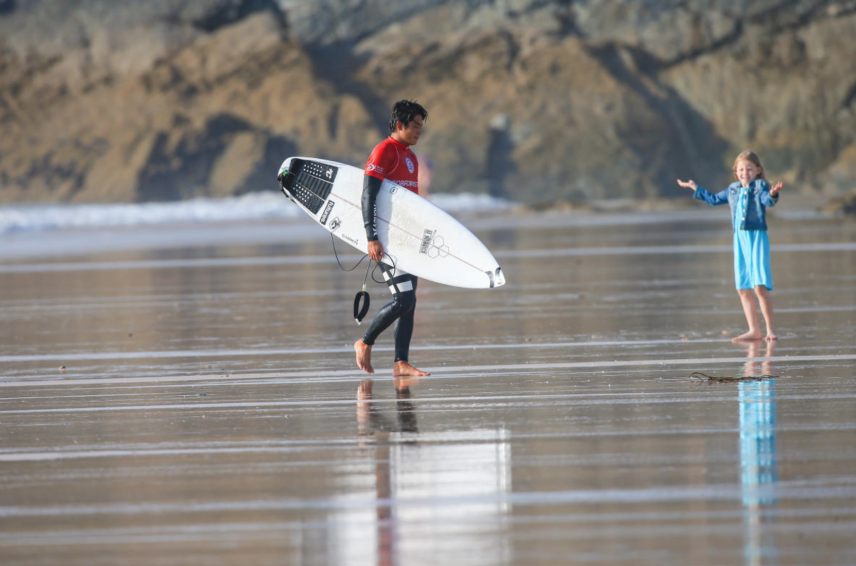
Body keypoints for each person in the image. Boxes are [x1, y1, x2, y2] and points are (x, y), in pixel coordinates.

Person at [354, 100, 431, 377]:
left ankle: (401, 363)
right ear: (400, 125)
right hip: (387, 241)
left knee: (410, 303)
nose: (419, 131)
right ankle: (364, 342)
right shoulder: (384, 151)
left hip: (407, 240)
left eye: (421, 126)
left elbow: (411, 205)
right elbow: (368, 195)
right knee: (403, 300)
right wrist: (371, 236)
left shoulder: (409, 156)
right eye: (415, 126)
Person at [678, 150, 783, 342]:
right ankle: (754, 330)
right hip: (739, 239)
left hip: (756, 237)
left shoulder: (760, 186)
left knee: (759, 287)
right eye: (741, 170)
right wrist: (695, 188)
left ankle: (770, 330)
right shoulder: (733, 189)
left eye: (749, 169)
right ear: (736, 172)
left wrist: (773, 194)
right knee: (743, 287)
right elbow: (713, 199)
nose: (745, 173)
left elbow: (767, 200)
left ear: (758, 170)